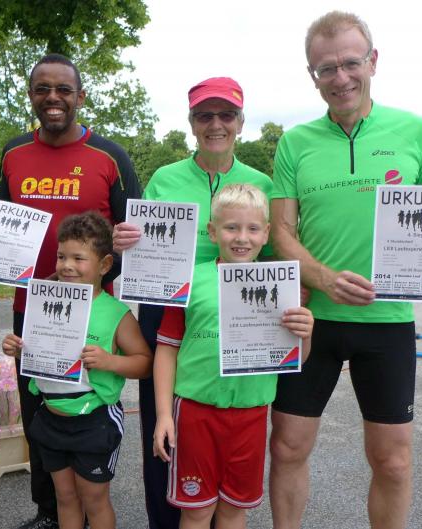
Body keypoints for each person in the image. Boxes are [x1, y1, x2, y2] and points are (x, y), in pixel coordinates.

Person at [268, 12, 422, 529]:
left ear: (373, 61)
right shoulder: (295, 142)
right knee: (288, 448)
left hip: (387, 320)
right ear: (312, 76)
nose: (339, 77)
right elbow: (281, 232)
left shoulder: (414, 130)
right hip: (311, 319)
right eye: (325, 69)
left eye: (350, 63)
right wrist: (323, 279)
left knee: (392, 460)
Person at [112, 77, 273, 529]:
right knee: (166, 429)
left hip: (238, 316)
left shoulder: (262, 182)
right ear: (191, 122)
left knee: (230, 424)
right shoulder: (165, 178)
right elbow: (142, 243)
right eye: (205, 115)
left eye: (226, 115)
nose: (216, 124)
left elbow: (275, 250)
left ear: (240, 121)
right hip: (168, 308)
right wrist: (126, 242)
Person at [0, 53, 141, 529]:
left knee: (89, 406)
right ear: (31, 95)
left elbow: (136, 233)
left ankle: (93, 500)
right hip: (33, 307)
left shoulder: (110, 157)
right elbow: (5, 225)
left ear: (80, 96)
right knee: (41, 414)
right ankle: (49, 512)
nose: (53, 97)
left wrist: (114, 281)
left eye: (63, 89)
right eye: (43, 88)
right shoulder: (13, 154)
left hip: (94, 311)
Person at [152, 184, 313, 529]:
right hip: (195, 412)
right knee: (196, 511)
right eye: (231, 227)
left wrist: (306, 332)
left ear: (266, 233)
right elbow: (166, 348)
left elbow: (296, 358)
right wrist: (164, 414)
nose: (242, 237)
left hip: (251, 413)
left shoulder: (282, 285)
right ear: (213, 231)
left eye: (253, 228)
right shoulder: (190, 280)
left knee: (234, 510)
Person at [2, 211, 151, 529]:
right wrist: (17, 347)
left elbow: (145, 362)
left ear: (105, 265)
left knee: (94, 499)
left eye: (79, 258)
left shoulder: (116, 313)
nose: (67, 265)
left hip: (94, 421)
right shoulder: (44, 301)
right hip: (51, 415)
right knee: (65, 497)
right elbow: (35, 347)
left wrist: (110, 361)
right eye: (61, 256)